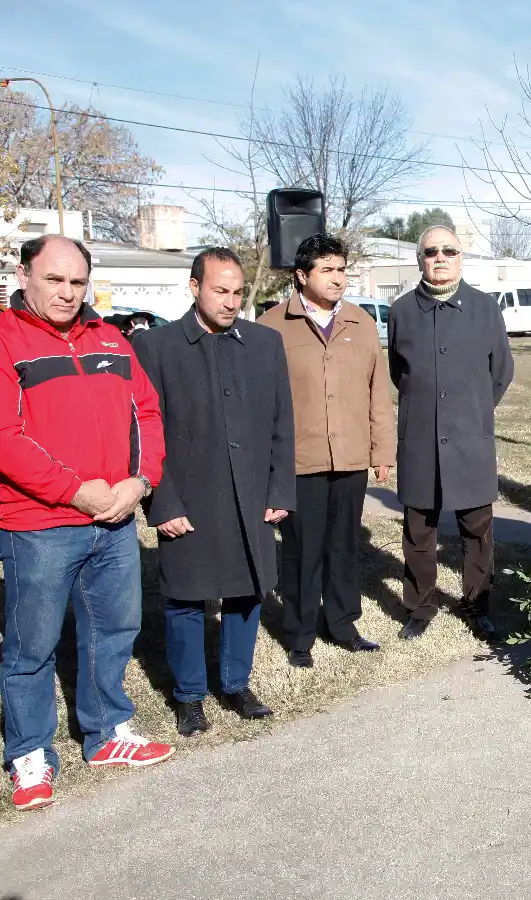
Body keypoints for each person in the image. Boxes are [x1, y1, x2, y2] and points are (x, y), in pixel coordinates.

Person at [0, 235, 173, 812]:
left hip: (116, 519)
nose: (67, 293)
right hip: (39, 524)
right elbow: (6, 439)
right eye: (54, 279)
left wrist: (139, 482)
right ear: (25, 275)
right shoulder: (6, 339)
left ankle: (106, 734)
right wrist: (75, 490)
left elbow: (146, 412)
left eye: (77, 281)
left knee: (113, 630)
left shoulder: (111, 338)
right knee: (32, 646)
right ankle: (30, 756)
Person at [133, 248, 296, 737]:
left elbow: (282, 424)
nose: (229, 301)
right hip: (187, 497)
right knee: (185, 598)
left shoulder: (265, 344)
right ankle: (188, 696)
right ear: (194, 287)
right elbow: (142, 432)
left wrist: (280, 489)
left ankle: (236, 683)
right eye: (219, 290)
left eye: (237, 292)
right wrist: (160, 502)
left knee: (248, 589)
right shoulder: (156, 348)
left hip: (252, 493)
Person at [261, 234, 396, 668]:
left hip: (352, 457)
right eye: (327, 270)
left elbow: (378, 392)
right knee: (303, 550)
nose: (338, 278)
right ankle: (300, 634)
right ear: (302, 276)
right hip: (301, 462)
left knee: (342, 545)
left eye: (341, 269)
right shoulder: (271, 327)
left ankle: (342, 624)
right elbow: (263, 404)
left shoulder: (362, 323)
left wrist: (383, 450)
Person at [387, 226, 514, 641]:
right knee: (418, 531)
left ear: (461, 257)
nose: (439, 257)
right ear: (420, 258)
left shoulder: (485, 308)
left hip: (469, 439)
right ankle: (420, 608)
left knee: (477, 529)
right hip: (419, 439)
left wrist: (472, 412)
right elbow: (398, 372)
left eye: (448, 250)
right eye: (430, 251)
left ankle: (477, 606)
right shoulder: (403, 310)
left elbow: (501, 373)